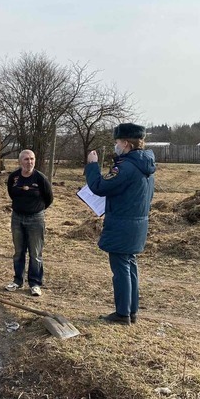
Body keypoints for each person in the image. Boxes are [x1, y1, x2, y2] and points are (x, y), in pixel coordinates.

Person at [85, 123, 156, 325]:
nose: (115, 146)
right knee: (130, 265)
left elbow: (99, 186)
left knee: (121, 268)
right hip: (137, 223)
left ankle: (122, 313)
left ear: (126, 143)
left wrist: (92, 165)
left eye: (116, 142)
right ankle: (131, 311)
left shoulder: (125, 167)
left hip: (123, 224)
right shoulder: (146, 166)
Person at [5, 150, 53, 296]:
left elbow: (49, 198)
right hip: (17, 218)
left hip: (36, 219)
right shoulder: (14, 177)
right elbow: (11, 194)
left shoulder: (40, 178)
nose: (29, 162)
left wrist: (36, 209)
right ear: (20, 161)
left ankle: (35, 283)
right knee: (19, 252)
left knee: (35, 253)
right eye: (26, 159)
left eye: (32, 159)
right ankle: (18, 280)